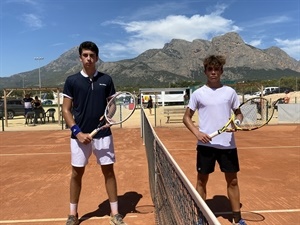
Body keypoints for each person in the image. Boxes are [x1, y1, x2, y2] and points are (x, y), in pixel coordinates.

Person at [62, 41, 127, 225]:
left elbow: (112, 104)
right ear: (80, 58)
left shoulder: (106, 79)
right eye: (85, 55)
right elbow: (66, 110)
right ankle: (73, 215)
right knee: (76, 174)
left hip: (103, 135)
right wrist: (78, 132)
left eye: (92, 55)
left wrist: (109, 116)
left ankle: (115, 214)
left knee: (109, 172)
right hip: (79, 137)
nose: (89, 58)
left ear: (97, 57)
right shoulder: (72, 81)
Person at [183, 55, 247, 225]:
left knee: (232, 180)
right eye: (210, 69)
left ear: (221, 71)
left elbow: (238, 113)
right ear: (205, 71)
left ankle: (237, 218)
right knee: (201, 180)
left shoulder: (230, 92)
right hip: (206, 145)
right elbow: (186, 118)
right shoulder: (198, 94)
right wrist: (197, 133)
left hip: (227, 145)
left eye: (216, 69)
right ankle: (200, 217)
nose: (213, 72)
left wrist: (237, 122)